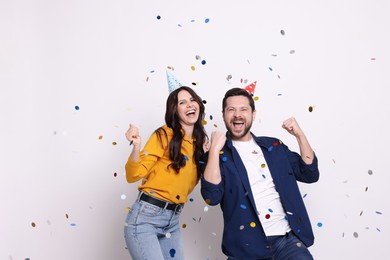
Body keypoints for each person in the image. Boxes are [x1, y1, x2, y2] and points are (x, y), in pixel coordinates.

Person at [201, 87, 320, 260]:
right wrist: (213, 152)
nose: (237, 115)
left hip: (287, 242)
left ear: (253, 114)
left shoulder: (274, 147)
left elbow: (309, 173)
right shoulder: (217, 155)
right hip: (245, 248)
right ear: (223, 114)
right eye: (231, 110)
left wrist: (299, 135)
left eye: (243, 109)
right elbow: (211, 197)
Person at [124, 86, 208, 260]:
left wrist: (208, 157)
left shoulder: (199, 143)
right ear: (175, 111)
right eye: (182, 103)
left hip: (173, 220)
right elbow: (133, 175)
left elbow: (189, 183)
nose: (189, 105)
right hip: (146, 217)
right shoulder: (163, 135)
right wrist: (136, 146)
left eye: (192, 100)